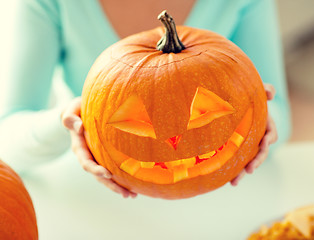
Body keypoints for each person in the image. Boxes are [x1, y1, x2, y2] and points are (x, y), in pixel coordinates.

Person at [0, 0, 291, 198]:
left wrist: (264, 116)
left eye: (205, 112)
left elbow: (278, 114)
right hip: (91, 201)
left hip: (228, 201)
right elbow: (7, 139)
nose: (174, 138)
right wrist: (71, 120)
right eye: (138, 121)